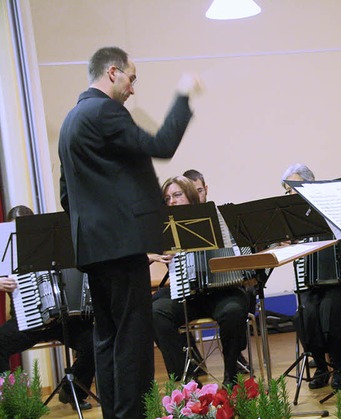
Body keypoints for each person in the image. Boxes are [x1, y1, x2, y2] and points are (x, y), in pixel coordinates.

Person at [58, 46, 202, 418]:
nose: (133, 89)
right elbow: (162, 145)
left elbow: (65, 195)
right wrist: (184, 96)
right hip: (121, 248)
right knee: (133, 343)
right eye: (131, 78)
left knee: (107, 340)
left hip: (92, 249)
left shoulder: (71, 121)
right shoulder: (105, 111)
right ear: (112, 72)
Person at [152, 176, 249, 386]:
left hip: (221, 290)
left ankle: (231, 376)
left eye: (177, 195)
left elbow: (239, 250)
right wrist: (163, 255)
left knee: (233, 311)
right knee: (156, 313)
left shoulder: (218, 217)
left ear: (191, 195)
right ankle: (186, 380)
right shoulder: (165, 226)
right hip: (187, 291)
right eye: (167, 198)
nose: (172, 202)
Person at [0, 205, 95, 410]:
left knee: (94, 341)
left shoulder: (54, 247)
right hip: (27, 322)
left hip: (62, 320)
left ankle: (73, 392)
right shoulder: (5, 251)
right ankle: (8, 402)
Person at [283, 163, 341, 390]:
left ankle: (338, 367)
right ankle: (321, 366)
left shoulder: (335, 205)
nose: (291, 194)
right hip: (313, 283)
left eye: (293, 188)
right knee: (305, 313)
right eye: (288, 190)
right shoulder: (295, 220)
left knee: (331, 307)